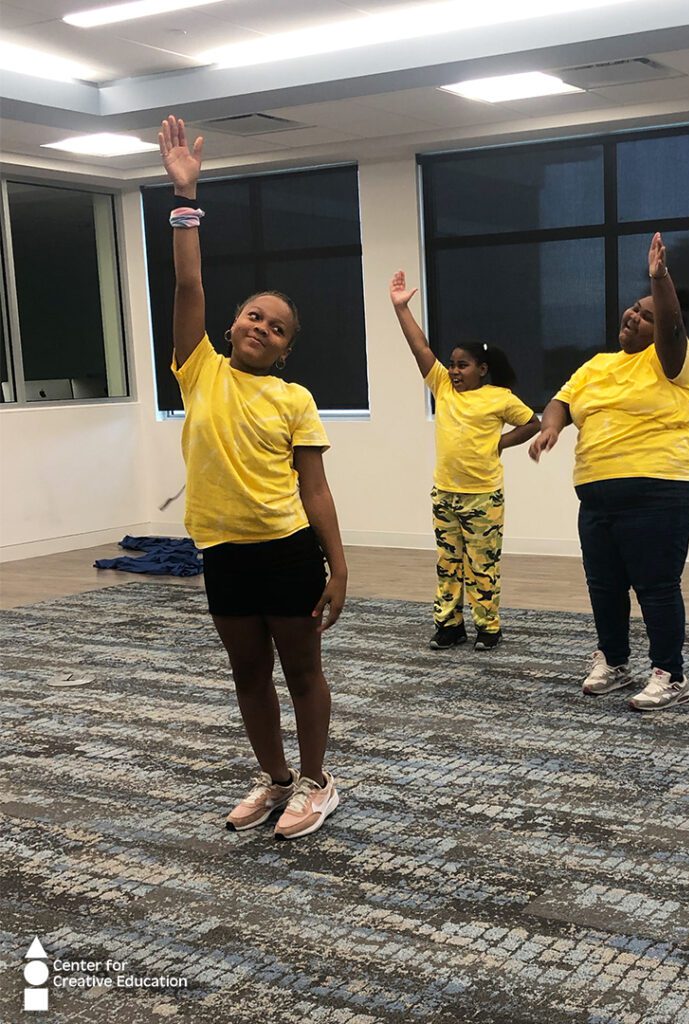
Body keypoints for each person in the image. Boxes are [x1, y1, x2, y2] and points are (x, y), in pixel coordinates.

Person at [159, 114, 348, 839]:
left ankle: (316, 781)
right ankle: (273, 779)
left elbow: (316, 490)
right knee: (246, 674)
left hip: (287, 549)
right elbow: (186, 283)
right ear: (232, 323)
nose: (259, 327)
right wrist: (186, 198)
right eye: (251, 315)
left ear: (287, 348)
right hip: (223, 551)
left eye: (275, 327)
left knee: (301, 671)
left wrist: (338, 566)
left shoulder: (294, 400)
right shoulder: (199, 371)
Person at [529, 233, 689, 711]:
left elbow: (670, 324)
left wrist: (658, 278)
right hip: (598, 497)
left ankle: (670, 673)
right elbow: (561, 401)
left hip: (661, 492)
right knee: (603, 585)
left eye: (647, 314)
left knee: (655, 586)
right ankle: (616, 661)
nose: (634, 316)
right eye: (633, 308)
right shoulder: (597, 365)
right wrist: (551, 429)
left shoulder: (673, 360)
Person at [389, 270, 540, 650]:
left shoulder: (499, 397)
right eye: (452, 364)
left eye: (463, 365)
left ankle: (488, 627)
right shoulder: (442, 387)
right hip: (445, 495)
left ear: (482, 369)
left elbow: (532, 423)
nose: (454, 371)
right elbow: (420, 348)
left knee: (482, 567)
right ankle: (449, 625)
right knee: (448, 565)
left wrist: (500, 443)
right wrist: (401, 309)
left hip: (483, 497)